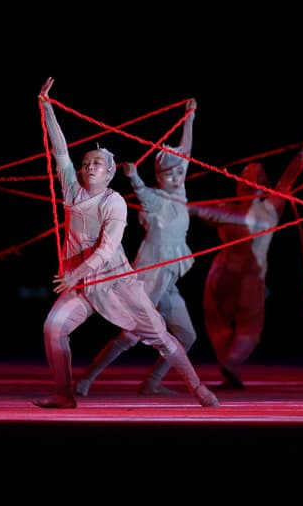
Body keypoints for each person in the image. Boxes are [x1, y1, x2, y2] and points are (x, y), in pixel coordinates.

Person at [34, 77, 218, 409]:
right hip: (83, 284)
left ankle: (198, 388)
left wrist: (75, 275)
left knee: (159, 336)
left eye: (98, 164)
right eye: (87, 162)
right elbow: (59, 149)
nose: (90, 166)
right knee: (54, 327)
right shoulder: (71, 190)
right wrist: (47, 107)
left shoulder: (114, 202)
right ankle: (64, 394)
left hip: (116, 282)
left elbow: (106, 249)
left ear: (109, 174)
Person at [74, 98, 198, 397]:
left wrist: (190, 117)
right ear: (159, 175)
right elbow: (141, 192)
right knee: (131, 335)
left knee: (186, 334)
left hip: (169, 276)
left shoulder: (179, 192)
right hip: (150, 273)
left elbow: (186, 153)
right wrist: (133, 176)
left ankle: (153, 381)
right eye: (169, 173)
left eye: (179, 172)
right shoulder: (155, 198)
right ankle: (86, 379)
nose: (176, 177)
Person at [189, 134, 303, 390]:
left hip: (223, 275)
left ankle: (231, 366)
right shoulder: (270, 208)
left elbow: (189, 209)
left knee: (217, 320)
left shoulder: (224, 208)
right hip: (250, 278)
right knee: (249, 326)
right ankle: (232, 362)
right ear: (264, 186)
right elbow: (288, 180)